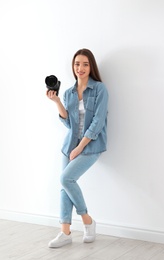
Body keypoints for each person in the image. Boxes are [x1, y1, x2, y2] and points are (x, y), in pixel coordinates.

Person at [46, 48, 108, 248]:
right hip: (70, 144)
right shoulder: (68, 93)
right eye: (77, 64)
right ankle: (65, 232)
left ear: (91, 67)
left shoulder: (100, 89)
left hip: (91, 145)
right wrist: (56, 101)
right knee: (65, 185)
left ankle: (88, 221)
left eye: (85, 64)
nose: (80, 68)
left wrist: (80, 147)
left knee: (66, 178)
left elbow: (98, 122)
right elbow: (69, 124)